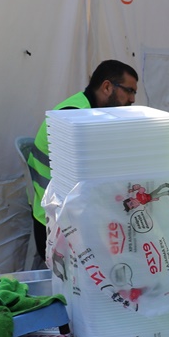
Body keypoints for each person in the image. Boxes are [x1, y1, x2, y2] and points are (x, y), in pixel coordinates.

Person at [28, 60, 139, 257]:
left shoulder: (89, 111)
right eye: (129, 91)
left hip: (72, 215)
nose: (132, 99)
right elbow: (86, 181)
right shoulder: (73, 116)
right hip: (56, 222)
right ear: (107, 87)